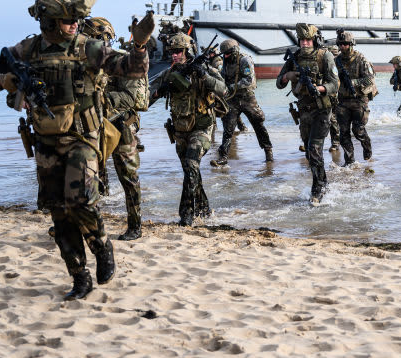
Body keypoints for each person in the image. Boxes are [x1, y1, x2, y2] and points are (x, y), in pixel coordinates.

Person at [0, 0, 153, 300]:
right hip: (46, 140)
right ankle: (79, 277)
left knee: (81, 202)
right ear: (49, 21)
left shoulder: (87, 48)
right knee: (59, 213)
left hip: (82, 137)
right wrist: (8, 81)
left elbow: (133, 69)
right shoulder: (27, 49)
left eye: (77, 18)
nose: (75, 24)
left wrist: (140, 44)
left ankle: (102, 246)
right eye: (67, 20)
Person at [81, 17, 148, 242]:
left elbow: (134, 97)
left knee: (129, 178)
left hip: (120, 126)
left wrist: (101, 99)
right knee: (83, 177)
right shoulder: (84, 63)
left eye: (91, 38)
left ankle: (135, 225)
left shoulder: (121, 60)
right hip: (92, 126)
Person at [149, 32, 226, 226]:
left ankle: (186, 215)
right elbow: (147, 99)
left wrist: (203, 75)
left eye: (178, 51)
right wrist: (160, 91)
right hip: (181, 130)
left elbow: (223, 90)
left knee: (192, 164)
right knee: (191, 173)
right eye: (172, 52)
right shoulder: (169, 74)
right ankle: (205, 209)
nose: (174, 55)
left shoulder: (205, 69)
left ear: (188, 51)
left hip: (202, 127)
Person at [276, 23, 338, 203]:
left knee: (314, 149)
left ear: (315, 40)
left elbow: (335, 84)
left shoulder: (324, 56)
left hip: (322, 109)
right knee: (309, 154)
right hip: (304, 111)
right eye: (302, 40)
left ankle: (317, 191)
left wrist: (320, 88)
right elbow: (279, 83)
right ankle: (323, 183)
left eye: (308, 40)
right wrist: (288, 76)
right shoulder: (294, 57)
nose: (305, 43)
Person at [211, 39, 273, 167]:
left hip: (247, 98)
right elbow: (223, 77)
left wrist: (231, 87)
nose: (225, 56)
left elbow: (248, 80)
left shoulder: (245, 60)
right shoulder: (226, 61)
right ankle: (223, 156)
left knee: (258, 124)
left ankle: (268, 152)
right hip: (232, 99)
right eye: (224, 54)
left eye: (228, 54)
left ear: (234, 51)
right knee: (228, 128)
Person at [333, 30, 375, 165]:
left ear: (351, 44)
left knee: (358, 131)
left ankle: (367, 147)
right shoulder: (336, 61)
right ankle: (349, 162)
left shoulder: (361, 59)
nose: (342, 46)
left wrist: (353, 82)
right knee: (343, 134)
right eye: (340, 44)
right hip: (343, 101)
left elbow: (370, 79)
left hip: (359, 100)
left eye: (345, 44)